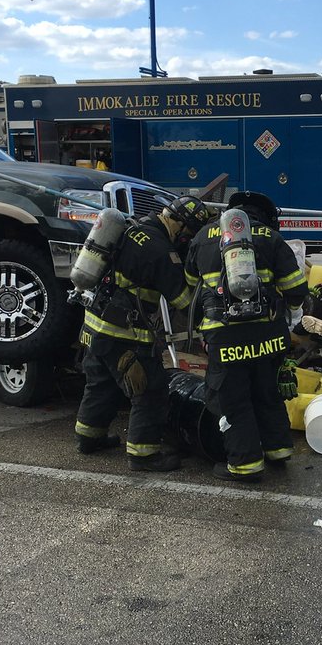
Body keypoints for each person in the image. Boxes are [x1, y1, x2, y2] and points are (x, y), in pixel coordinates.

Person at [75, 195, 212, 472]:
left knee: (101, 384)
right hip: (126, 335)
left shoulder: (132, 228)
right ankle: (144, 454)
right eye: (187, 233)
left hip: (95, 326)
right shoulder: (161, 251)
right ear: (177, 223)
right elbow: (185, 302)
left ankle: (88, 438)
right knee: (150, 390)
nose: (186, 240)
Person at [185, 191, 308, 482]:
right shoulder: (271, 237)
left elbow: (190, 282)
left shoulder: (203, 237)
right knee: (268, 393)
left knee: (233, 400)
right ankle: (278, 450)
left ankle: (245, 465)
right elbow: (296, 290)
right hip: (269, 337)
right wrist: (286, 309)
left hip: (225, 338)